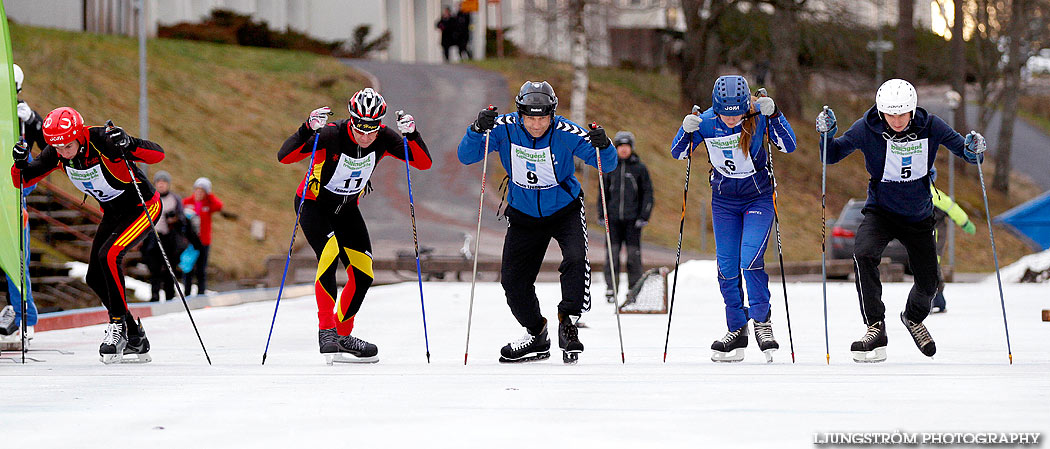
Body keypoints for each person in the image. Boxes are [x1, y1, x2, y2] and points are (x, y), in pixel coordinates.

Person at [816, 78, 986, 362]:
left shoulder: (931, 125)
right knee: (864, 253)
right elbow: (831, 155)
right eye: (891, 114)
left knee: (929, 282)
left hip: (919, 215)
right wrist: (826, 134)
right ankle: (875, 328)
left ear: (912, 110)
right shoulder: (866, 128)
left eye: (903, 114)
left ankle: (913, 317)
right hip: (881, 212)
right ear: (882, 112)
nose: (897, 120)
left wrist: (974, 148)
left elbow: (966, 153)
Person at [458, 80, 617, 364]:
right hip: (523, 212)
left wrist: (604, 145)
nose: (536, 124)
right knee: (513, 281)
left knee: (576, 260)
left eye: (542, 117)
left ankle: (568, 321)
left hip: (564, 207)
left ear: (552, 114)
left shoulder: (565, 131)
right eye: (530, 117)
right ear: (520, 114)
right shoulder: (504, 128)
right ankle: (535, 333)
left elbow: (607, 162)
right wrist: (476, 130)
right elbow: (467, 156)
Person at [278, 88, 432, 364]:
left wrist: (413, 134)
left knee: (363, 273)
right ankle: (326, 331)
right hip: (313, 204)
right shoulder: (331, 135)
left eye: (371, 131)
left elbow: (422, 163)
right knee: (330, 252)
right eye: (360, 130)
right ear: (351, 120)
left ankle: (343, 335)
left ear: (380, 125)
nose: (365, 137)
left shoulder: (385, 138)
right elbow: (285, 157)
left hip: (347, 209)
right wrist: (306, 128)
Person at [11, 106, 166, 364]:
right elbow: (23, 180)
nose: (62, 153)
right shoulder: (58, 152)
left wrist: (130, 143)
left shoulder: (102, 140)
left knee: (110, 254)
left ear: (79, 135)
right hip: (114, 212)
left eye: (67, 147)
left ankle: (118, 327)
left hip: (143, 207)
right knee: (94, 276)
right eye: (57, 148)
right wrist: (19, 163)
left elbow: (157, 155)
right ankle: (136, 336)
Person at [670, 75, 797, 363]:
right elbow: (679, 153)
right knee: (726, 268)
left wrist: (775, 115)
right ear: (715, 108)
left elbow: (788, 146)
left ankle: (762, 322)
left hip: (758, 198)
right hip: (724, 202)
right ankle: (737, 329)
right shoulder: (705, 122)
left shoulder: (758, 116)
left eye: (737, 113)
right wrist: (685, 129)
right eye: (725, 115)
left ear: (746, 106)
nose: (731, 120)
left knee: (750, 260)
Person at [0, 63, 42, 349]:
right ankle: (13, 311)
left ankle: (25, 318)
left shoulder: (22, 115)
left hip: (13, 193)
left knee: (17, 261)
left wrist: (34, 121)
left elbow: (46, 143)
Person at [598, 131, 653, 303]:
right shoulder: (610, 167)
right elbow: (603, 192)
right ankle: (611, 287)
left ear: (631, 148)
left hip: (633, 220)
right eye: (620, 146)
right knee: (612, 254)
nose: (623, 150)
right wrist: (602, 213)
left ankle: (633, 288)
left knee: (633, 255)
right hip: (613, 219)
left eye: (626, 147)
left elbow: (648, 193)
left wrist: (644, 215)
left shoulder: (639, 168)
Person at [929, 183, 976, 313]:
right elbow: (952, 207)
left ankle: (934, 298)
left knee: (930, 266)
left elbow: (952, 208)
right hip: (929, 236)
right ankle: (937, 299)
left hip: (934, 236)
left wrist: (965, 223)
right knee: (930, 266)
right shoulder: (930, 193)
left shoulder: (931, 193)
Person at [141, 170, 183, 302]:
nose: (161, 185)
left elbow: (181, 218)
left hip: (169, 238)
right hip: (153, 237)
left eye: (164, 182)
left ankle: (170, 294)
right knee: (154, 268)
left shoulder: (174, 199)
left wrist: (174, 220)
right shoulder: (150, 198)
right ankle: (154, 295)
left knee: (169, 268)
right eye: (159, 182)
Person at [182, 177, 223, 295]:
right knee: (188, 268)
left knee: (201, 269)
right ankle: (187, 293)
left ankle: (201, 292)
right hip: (189, 243)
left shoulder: (208, 204)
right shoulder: (187, 202)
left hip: (204, 241)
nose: (199, 193)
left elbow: (219, 206)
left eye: (202, 191)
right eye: (197, 190)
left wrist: (209, 195)